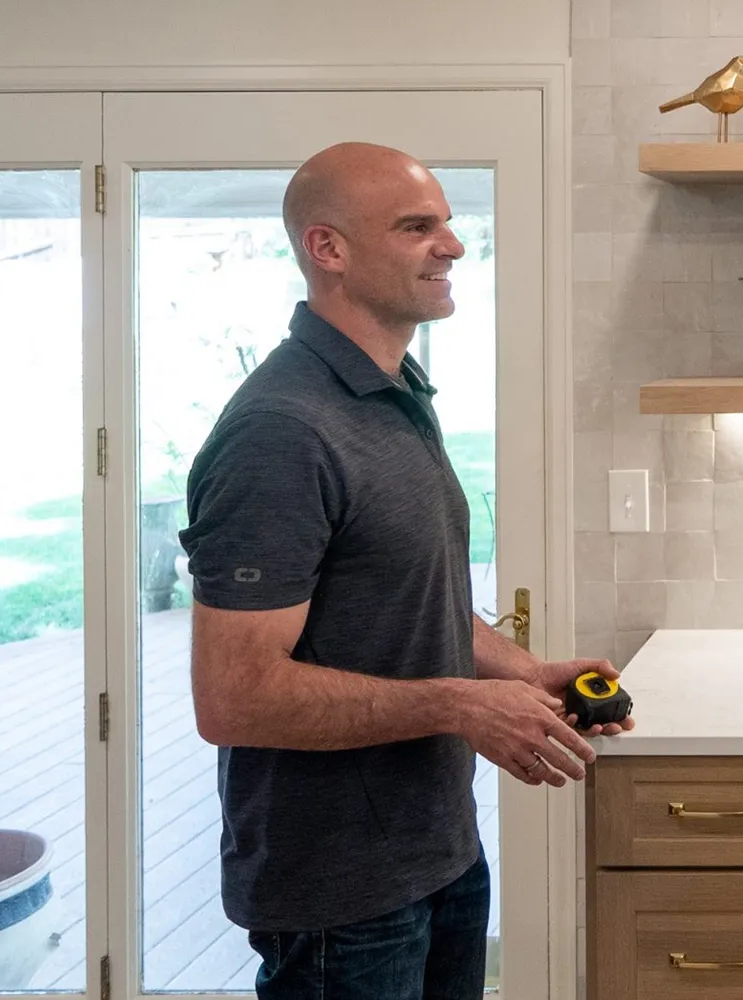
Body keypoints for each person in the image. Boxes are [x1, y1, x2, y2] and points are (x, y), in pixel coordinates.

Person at [178, 141, 631, 1000]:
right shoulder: (282, 429)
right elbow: (232, 697)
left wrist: (527, 675)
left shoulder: (394, 393)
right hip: (339, 890)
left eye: (448, 226)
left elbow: (402, 601)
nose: (453, 246)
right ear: (329, 249)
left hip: (438, 849)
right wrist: (459, 703)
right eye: (417, 227)